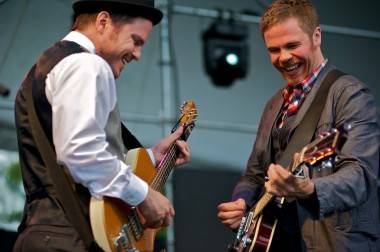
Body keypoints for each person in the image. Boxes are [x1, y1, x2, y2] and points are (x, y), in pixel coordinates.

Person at [13, 0, 191, 251]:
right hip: (70, 237)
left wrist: (150, 157)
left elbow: (65, 153)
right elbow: (81, 152)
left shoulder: (44, 66)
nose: (138, 55)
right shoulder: (88, 65)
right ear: (103, 22)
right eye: (136, 41)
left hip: (45, 232)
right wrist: (144, 195)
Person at [217, 0, 380, 251]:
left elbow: (360, 176)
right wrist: (241, 203)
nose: (283, 57)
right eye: (274, 49)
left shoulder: (350, 94)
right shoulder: (274, 104)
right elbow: (254, 174)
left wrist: (310, 188)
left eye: (292, 45)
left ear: (316, 36)